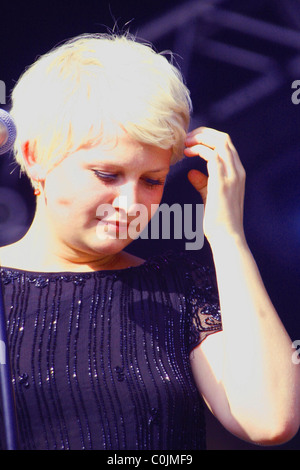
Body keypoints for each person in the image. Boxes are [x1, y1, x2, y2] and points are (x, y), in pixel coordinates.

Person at [0, 32, 299, 451]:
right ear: (35, 157)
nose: (131, 203)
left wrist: (228, 237)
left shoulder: (179, 286)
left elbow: (269, 418)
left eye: (152, 180)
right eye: (107, 174)